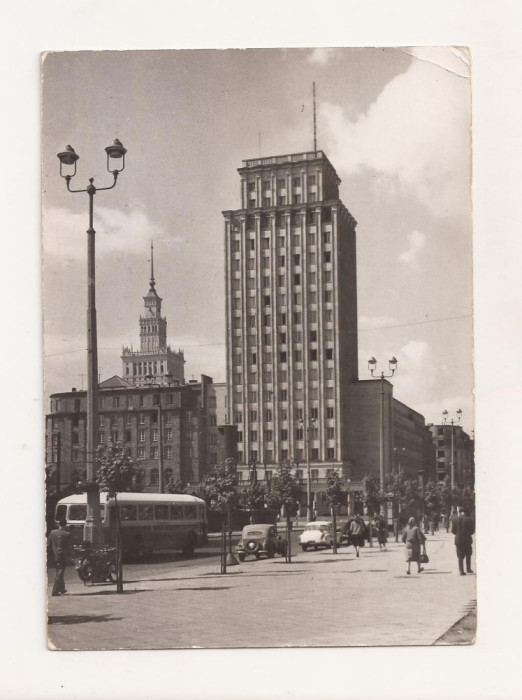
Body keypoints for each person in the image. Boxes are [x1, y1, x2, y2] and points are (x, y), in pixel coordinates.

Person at [47, 519, 73, 597]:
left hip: (54, 555)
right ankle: (55, 591)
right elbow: (70, 547)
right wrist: (72, 555)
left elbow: (48, 544)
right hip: (62, 555)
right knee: (60, 572)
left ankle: (62, 588)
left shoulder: (52, 532)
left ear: (59, 524)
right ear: (65, 525)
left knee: (58, 570)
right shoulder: (67, 534)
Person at [451, 507, 475, 575]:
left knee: (460, 555)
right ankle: (468, 569)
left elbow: (453, 531)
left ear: (460, 512)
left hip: (458, 540)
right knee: (468, 554)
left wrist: (459, 534)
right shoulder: (470, 520)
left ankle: (461, 570)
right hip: (467, 540)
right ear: (466, 512)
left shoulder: (455, 520)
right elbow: (472, 531)